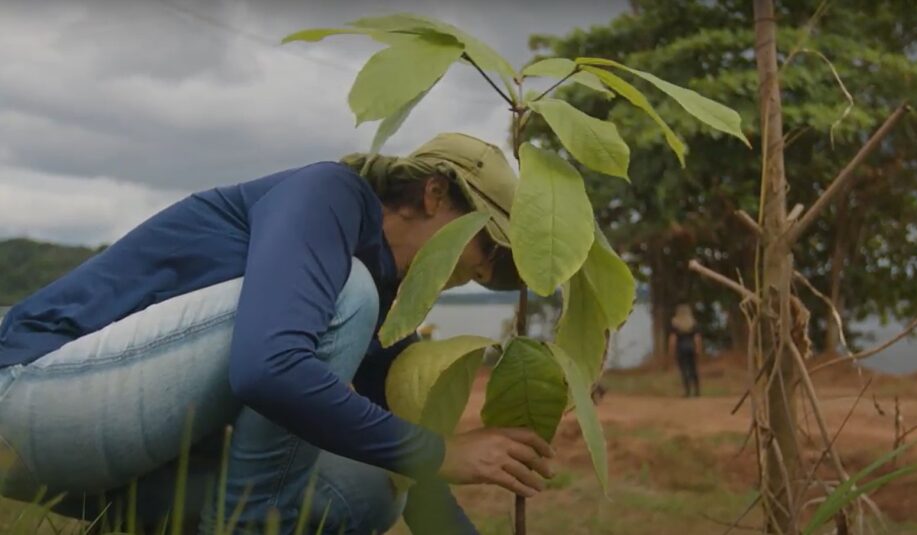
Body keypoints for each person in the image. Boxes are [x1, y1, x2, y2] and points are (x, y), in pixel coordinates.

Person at [0, 133, 553, 534]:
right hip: (32, 402)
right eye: (485, 244)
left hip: (107, 458)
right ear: (434, 195)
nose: (480, 272)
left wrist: (429, 463)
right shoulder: (330, 196)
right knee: (346, 294)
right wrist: (435, 452)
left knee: (371, 490)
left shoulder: (387, 301)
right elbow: (268, 369)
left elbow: (406, 463)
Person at [667, 304, 703, 398]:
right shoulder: (693, 322)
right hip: (691, 348)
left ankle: (687, 391)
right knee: (693, 369)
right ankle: (697, 391)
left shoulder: (675, 323)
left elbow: (673, 339)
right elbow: (697, 338)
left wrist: (671, 350)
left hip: (681, 349)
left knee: (683, 369)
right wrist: (698, 348)